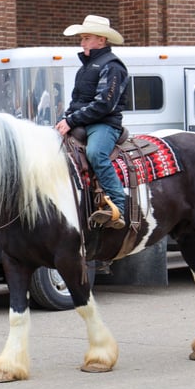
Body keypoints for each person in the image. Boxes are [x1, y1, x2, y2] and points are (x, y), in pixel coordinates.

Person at [55, 15, 129, 230]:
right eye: (82, 38)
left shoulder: (113, 67)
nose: (82, 42)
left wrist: (72, 120)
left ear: (101, 41)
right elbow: (77, 101)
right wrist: (64, 119)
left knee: (96, 153)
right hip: (82, 122)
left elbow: (104, 104)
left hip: (104, 124)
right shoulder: (85, 68)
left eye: (86, 38)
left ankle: (117, 207)